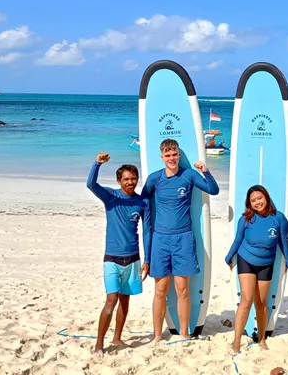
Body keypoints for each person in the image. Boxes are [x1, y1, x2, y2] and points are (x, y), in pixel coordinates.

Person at [141, 138, 220, 342]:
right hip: (160, 239)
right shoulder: (154, 179)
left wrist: (206, 171)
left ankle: (184, 333)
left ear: (178, 154)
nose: (172, 158)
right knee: (160, 290)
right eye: (167, 155)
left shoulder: (189, 175)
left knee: (182, 290)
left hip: (184, 238)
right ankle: (157, 335)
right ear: (162, 157)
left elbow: (214, 190)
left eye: (174, 154)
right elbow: (142, 204)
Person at [86, 152, 152, 354]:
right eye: (126, 179)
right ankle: (99, 344)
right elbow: (91, 185)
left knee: (125, 300)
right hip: (112, 259)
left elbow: (147, 231)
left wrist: (147, 260)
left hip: (133, 259)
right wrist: (97, 164)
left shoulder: (143, 203)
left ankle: (117, 338)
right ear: (118, 180)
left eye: (133, 178)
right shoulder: (111, 197)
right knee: (111, 300)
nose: (130, 182)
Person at [224, 185, 288, 354]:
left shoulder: (278, 219)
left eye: (259, 198)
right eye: (253, 200)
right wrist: (228, 257)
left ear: (266, 198)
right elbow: (238, 240)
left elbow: (283, 242)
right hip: (246, 260)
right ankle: (236, 341)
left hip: (266, 263)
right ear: (249, 203)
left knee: (261, 303)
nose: (257, 202)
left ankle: (262, 338)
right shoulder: (246, 219)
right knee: (246, 300)